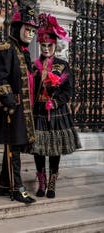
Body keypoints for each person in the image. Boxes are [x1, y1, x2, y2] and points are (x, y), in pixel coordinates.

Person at [0, 3, 38, 204]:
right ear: (17, 28)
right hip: (13, 109)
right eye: (28, 29)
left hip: (23, 109)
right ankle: (16, 188)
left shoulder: (23, 50)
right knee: (14, 147)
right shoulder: (6, 48)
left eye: (34, 31)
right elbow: (0, 79)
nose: (31, 34)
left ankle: (3, 185)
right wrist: (9, 104)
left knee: (14, 146)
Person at [31, 13, 81, 198]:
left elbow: (68, 90)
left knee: (54, 147)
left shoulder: (62, 65)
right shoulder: (34, 66)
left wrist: (56, 101)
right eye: (42, 45)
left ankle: (52, 182)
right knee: (38, 148)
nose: (45, 48)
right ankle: (41, 182)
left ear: (54, 46)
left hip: (57, 112)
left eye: (49, 45)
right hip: (39, 113)